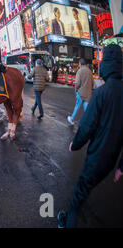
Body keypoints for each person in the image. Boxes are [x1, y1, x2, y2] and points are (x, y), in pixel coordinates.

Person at [58, 44, 123, 228]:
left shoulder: (102, 94)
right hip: (111, 161)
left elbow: (86, 127)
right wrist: (121, 166)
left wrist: (75, 144)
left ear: (106, 65)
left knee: (79, 191)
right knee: (87, 187)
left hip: (97, 157)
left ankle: (66, 221)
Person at [67, 59, 93, 125]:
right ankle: (89, 122)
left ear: (80, 64)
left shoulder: (80, 71)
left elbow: (77, 83)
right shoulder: (89, 71)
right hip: (88, 93)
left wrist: (76, 90)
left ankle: (72, 119)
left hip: (81, 92)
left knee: (77, 106)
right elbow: (92, 82)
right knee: (86, 108)